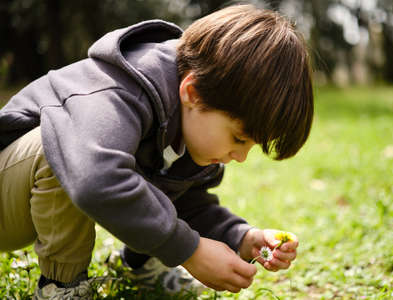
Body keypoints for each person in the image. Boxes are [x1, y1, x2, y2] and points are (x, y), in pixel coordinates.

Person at [0, 4, 313, 299]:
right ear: (192, 92)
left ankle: (141, 266)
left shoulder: (187, 123)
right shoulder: (115, 89)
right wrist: (190, 251)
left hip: (24, 205)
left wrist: (241, 237)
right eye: (238, 138)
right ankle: (62, 286)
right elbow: (95, 180)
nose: (241, 157)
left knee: (127, 171)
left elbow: (189, 204)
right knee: (67, 145)